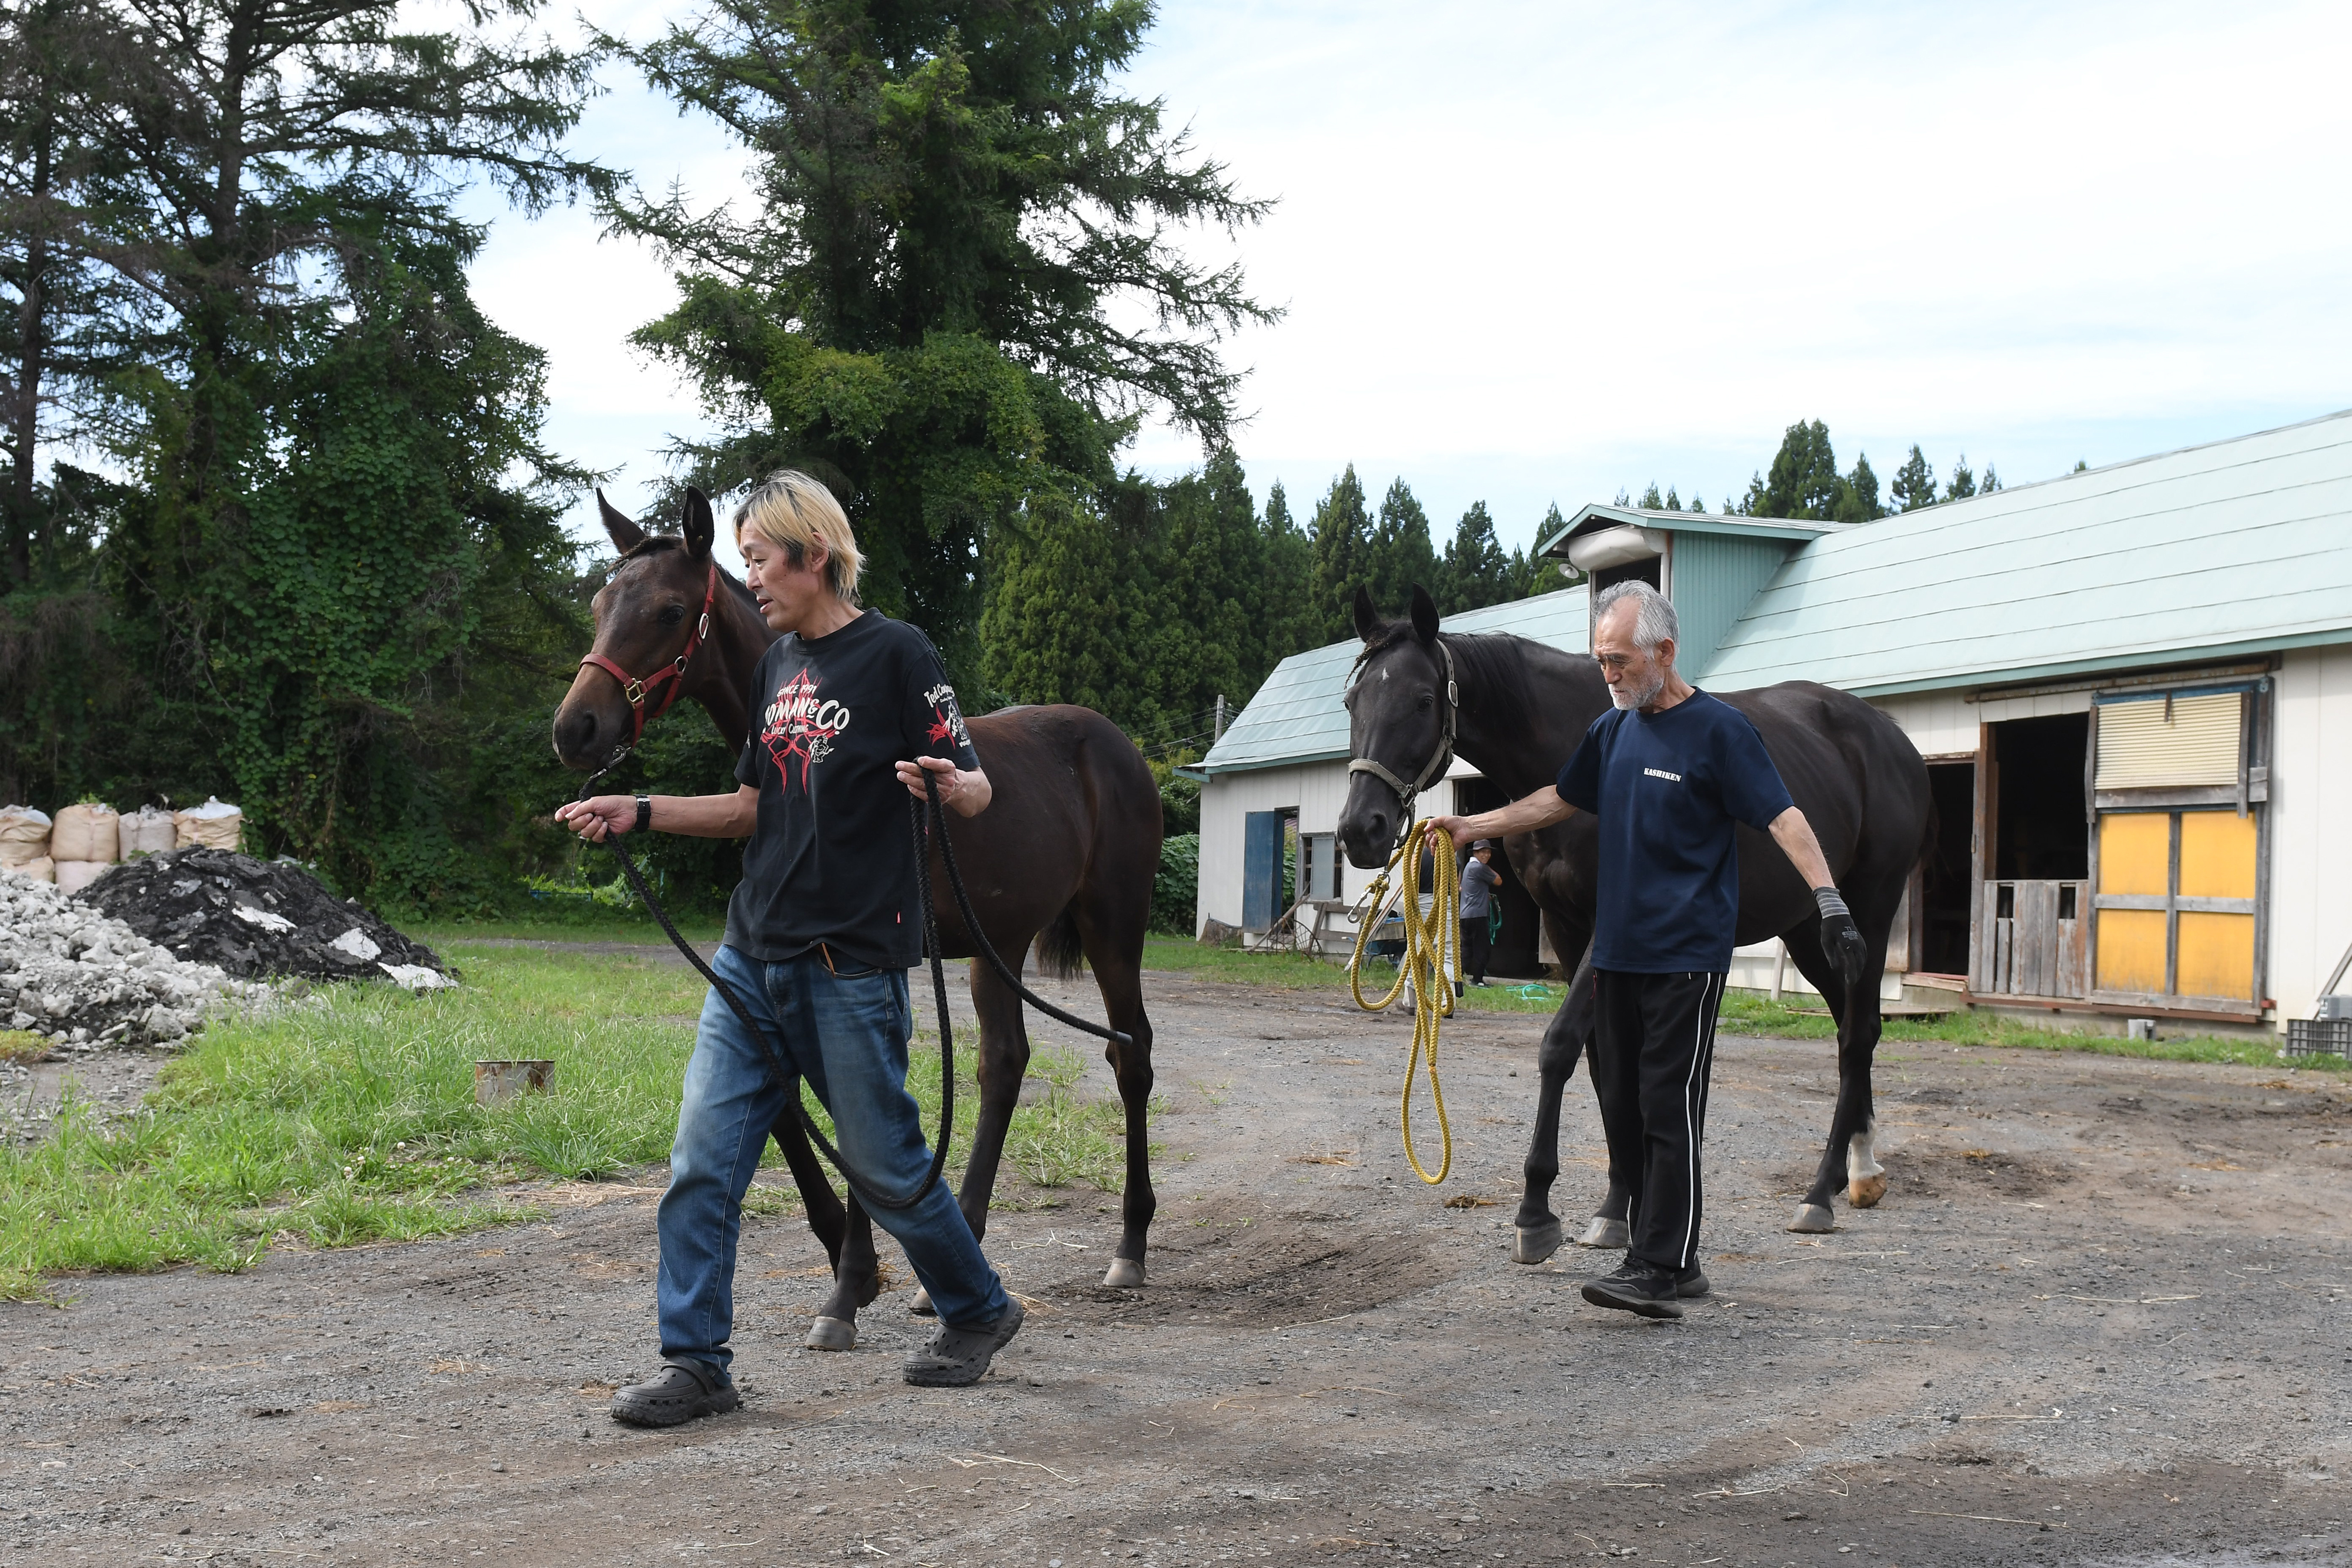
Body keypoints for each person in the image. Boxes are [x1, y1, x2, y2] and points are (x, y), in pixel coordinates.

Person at [556, 470, 1024, 1426]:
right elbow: (751, 805)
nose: (752, 579)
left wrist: (948, 785)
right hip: (751, 957)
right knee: (702, 1159)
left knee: (887, 1165)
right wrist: (637, 810)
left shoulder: (898, 654)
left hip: (849, 962)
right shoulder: (775, 665)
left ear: (813, 555)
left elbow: (974, 784)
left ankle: (978, 1306)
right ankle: (698, 1362)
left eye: (762, 560)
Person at [1425, 580, 1865, 1320]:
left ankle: (1666, 1264)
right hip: (1619, 955)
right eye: (1601, 661)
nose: (1609, 675)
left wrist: (1826, 897)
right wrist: (1475, 826)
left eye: (1620, 660)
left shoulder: (1721, 731)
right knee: (1624, 1100)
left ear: (1665, 651)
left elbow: (1783, 817)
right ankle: (1659, 1257)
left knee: (1670, 1104)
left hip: (1686, 955)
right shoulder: (1612, 731)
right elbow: (1555, 798)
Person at [1458, 841, 1503, 986]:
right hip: (1478, 915)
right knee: (1482, 949)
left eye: (1488, 852)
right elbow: (1498, 881)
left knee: (1466, 948)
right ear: (1475, 853)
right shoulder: (1479, 867)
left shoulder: (1469, 867)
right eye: (1483, 852)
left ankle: (1457, 978)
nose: (1486, 855)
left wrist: (1485, 895)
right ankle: (1477, 980)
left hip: (1465, 915)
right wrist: (1488, 868)